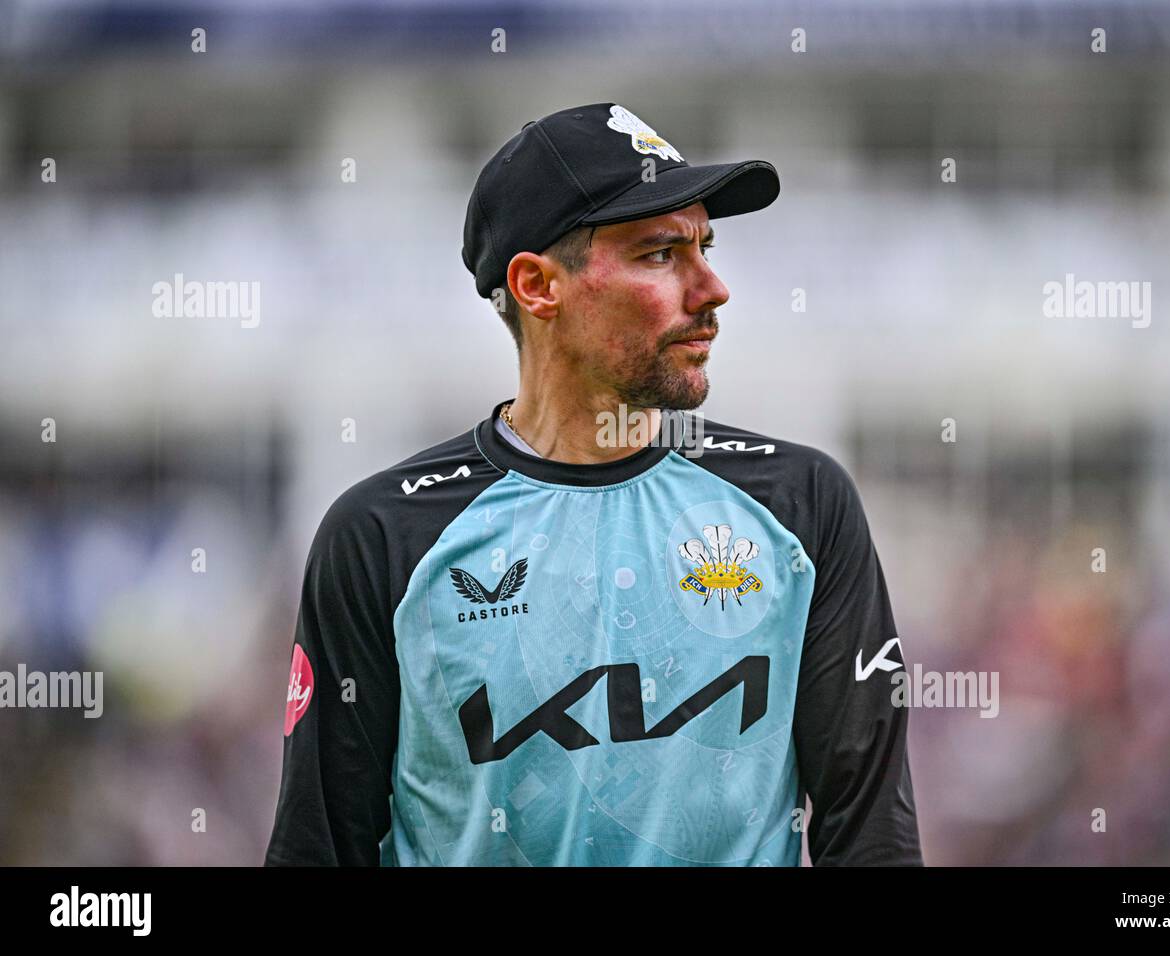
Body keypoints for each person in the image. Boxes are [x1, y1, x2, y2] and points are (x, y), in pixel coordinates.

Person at [265, 102, 922, 866]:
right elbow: (318, 848)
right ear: (537, 286)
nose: (713, 288)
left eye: (705, 247)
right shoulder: (384, 536)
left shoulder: (801, 506)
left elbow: (872, 839)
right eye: (661, 254)